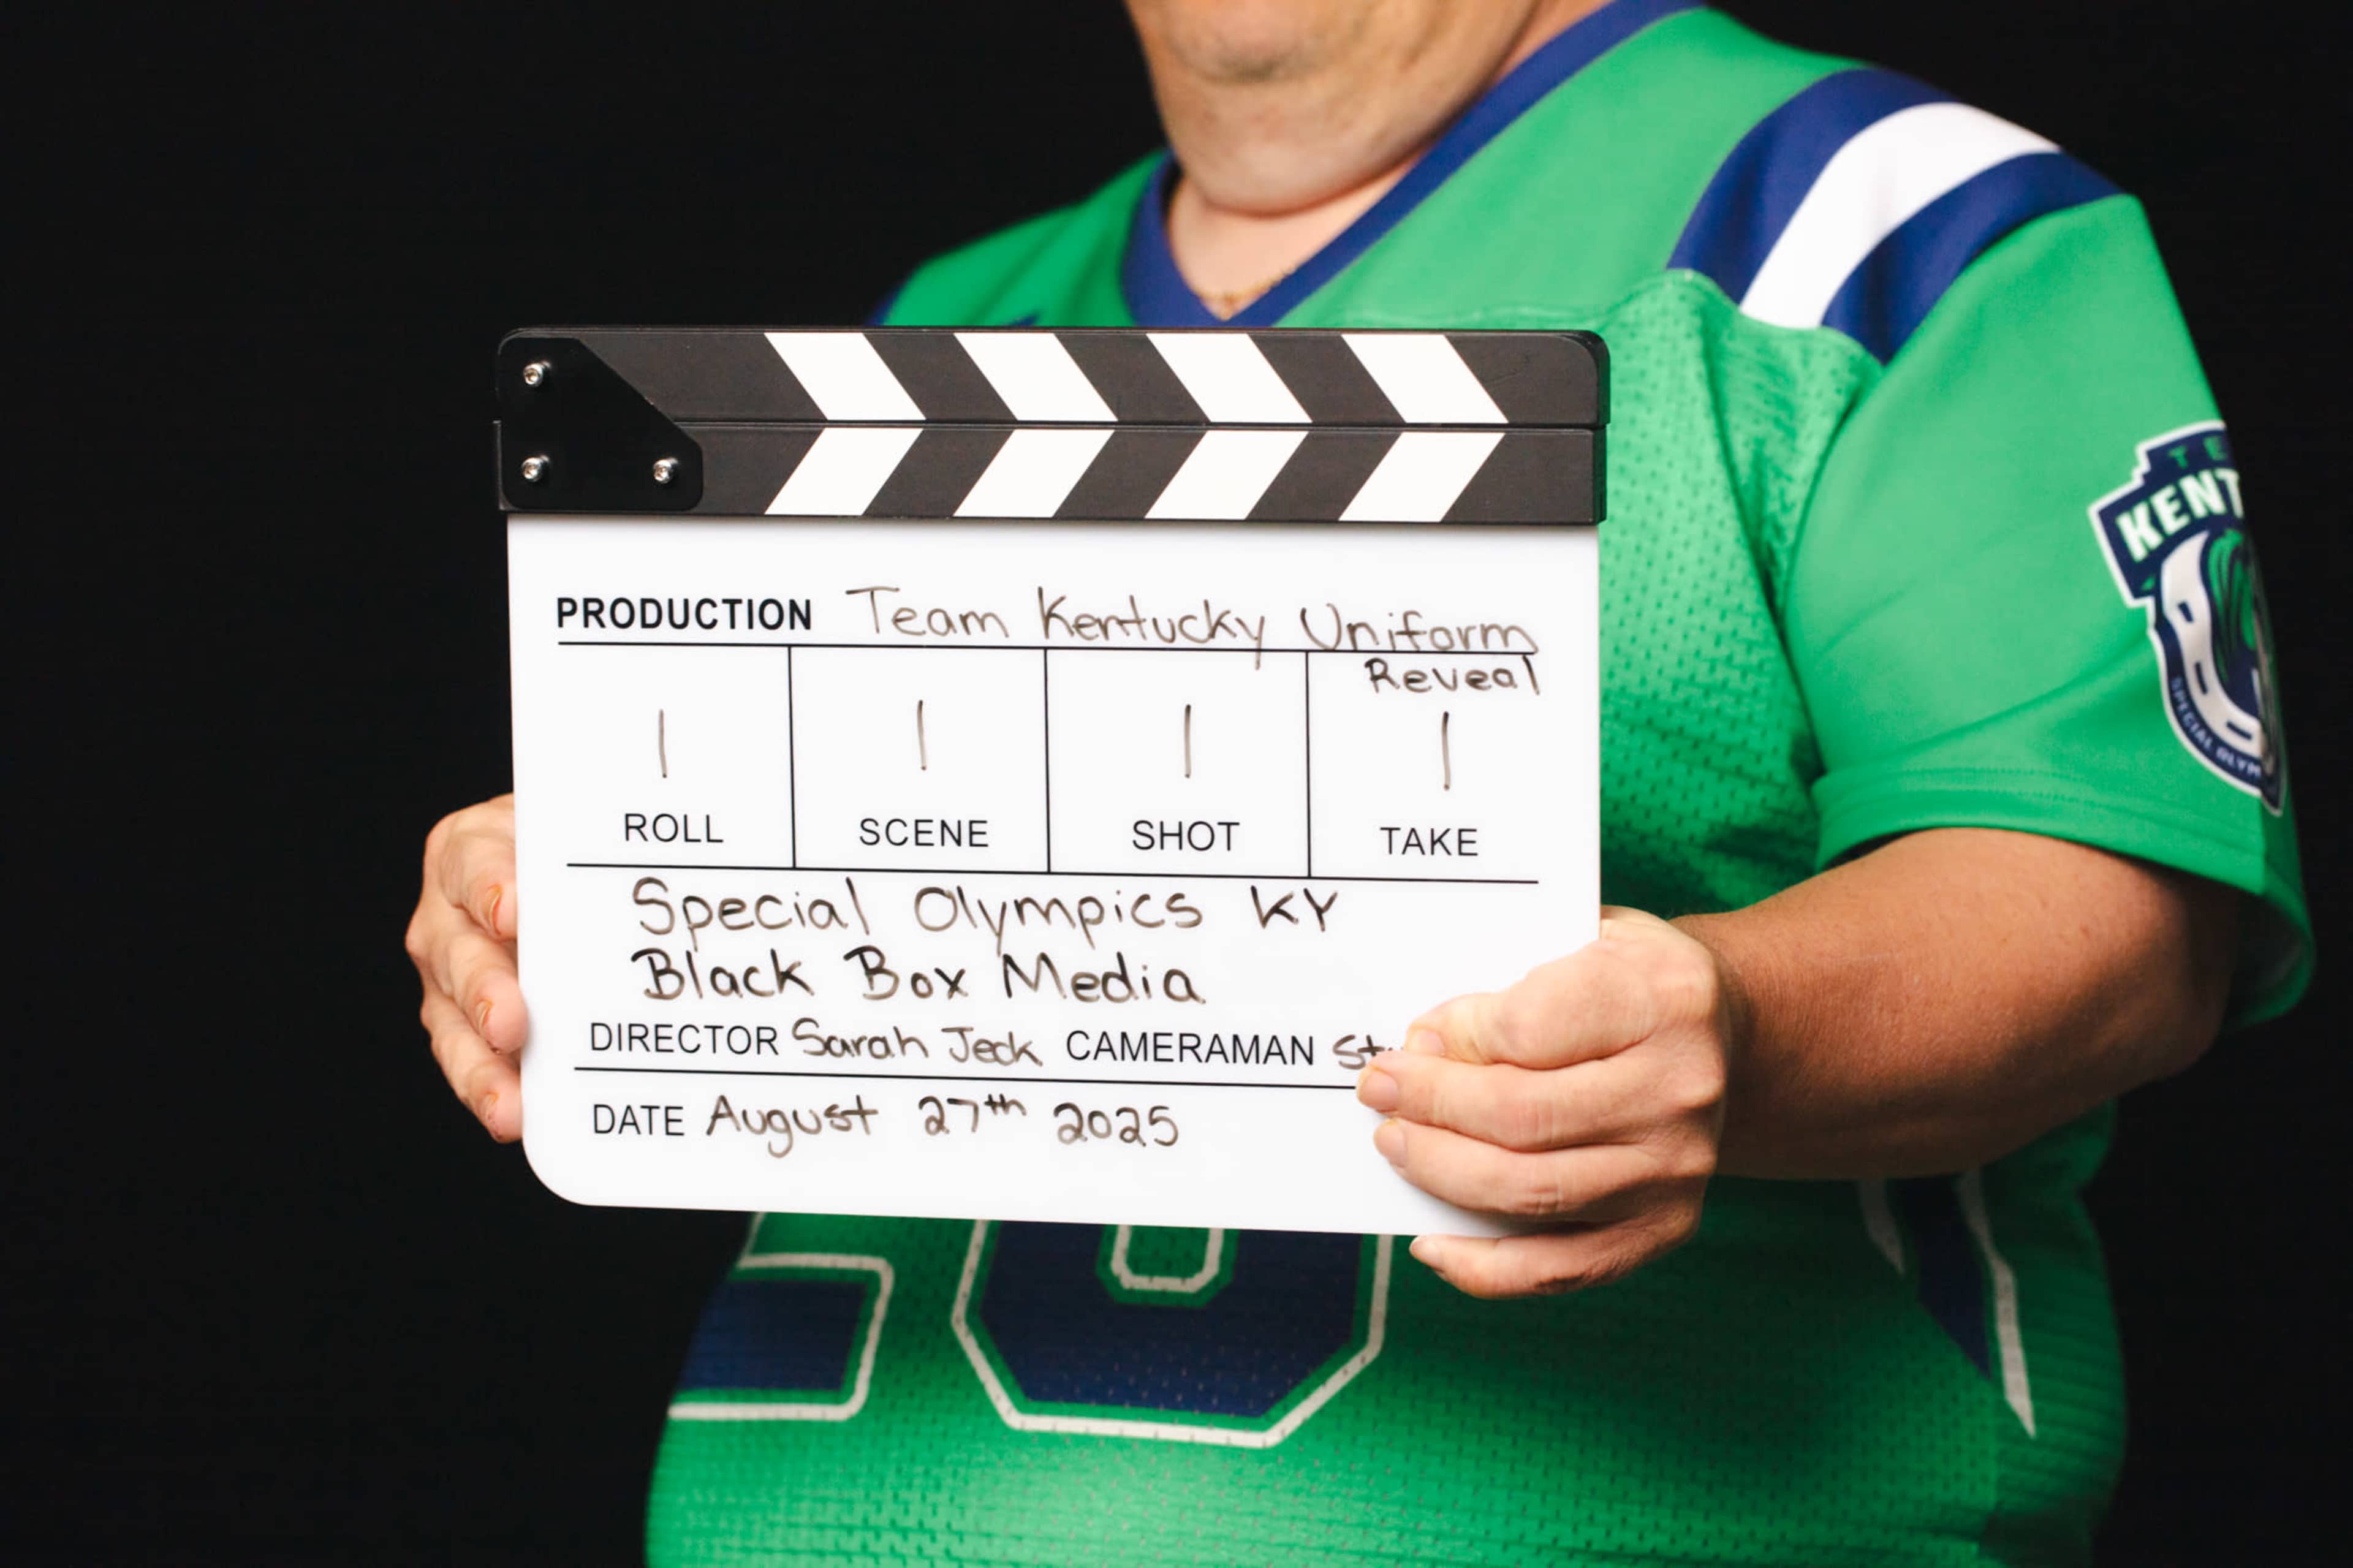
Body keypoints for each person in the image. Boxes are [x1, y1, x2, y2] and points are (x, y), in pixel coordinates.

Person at [406, 0, 2310, 1561]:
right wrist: (585, 923)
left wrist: (1736, 1020)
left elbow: (2117, 904)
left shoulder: (1881, 230)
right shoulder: (951, 312)